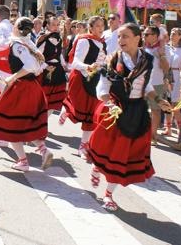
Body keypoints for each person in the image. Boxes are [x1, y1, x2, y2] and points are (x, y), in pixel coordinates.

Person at [88, 22, 171, 211]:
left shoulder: (147, 60)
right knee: (109, 152)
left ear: (137, 38)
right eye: (119, 36)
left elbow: (146, 85)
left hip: (137, 112)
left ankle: (108, 193)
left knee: (123, 156)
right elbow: (102, 88)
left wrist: (158, 99)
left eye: (125, 36)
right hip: (115, 110)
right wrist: (109, 104)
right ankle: (98, 170)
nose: (120, 40)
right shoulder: (112, 60)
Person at [0, 17, 53, 171]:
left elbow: (31, 66)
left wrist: (13, 77)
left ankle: (23, 161)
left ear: (17, 28)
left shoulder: (17, 45)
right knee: (27, 124)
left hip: (21, 88)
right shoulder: (28, 43)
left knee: (10, 125)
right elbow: (40, 66)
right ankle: (44, 151)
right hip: (33, 87)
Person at [59, 16, 107, 160]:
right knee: (78, 106)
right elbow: (75, 62)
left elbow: (103, 62)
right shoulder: (85, 40)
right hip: (81, 79)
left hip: (95, 80)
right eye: (97, 25)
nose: (100, 28)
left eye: (102, 25)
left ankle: (83, 146)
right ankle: (65, 109)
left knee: (91, 115)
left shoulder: (102, 43)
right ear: (90, 28)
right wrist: (88, 67)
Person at [142, 26, 171, 145]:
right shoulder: (144, 47)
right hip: (143, 83)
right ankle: (143, 134)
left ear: (155, 36)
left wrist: (162, 55)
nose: (144, 36)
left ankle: (153, 136)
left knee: (155, 110)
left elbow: (166, 68)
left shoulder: (164, 49)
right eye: (144, 34)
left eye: (147, 34)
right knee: (141, 109)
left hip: (157, 83)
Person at [36, 16, 68, 113]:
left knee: (55, 101)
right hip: (46, 70)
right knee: (43, 99)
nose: (56, 27)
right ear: (48, 26)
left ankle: (45, 121)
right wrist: (45, 66)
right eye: (53, 25)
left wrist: (63, 63)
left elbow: (58, 54)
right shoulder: (43, 38)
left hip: (57, 70)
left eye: (57, 25)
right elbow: (37, 55)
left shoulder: (59, 38)